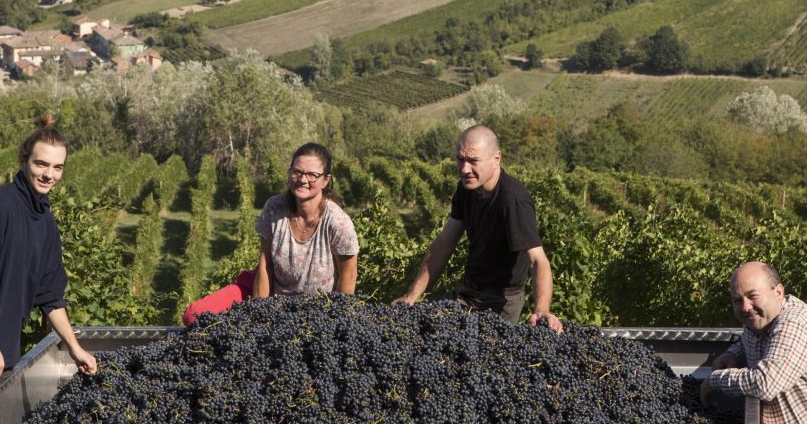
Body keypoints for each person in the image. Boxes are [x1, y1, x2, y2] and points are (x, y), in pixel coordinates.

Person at [0, 113, 97, 408]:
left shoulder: (44, 220)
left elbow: (51, 295)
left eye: (57, 167)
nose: (49, 174)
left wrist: (75, 348)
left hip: (1, 356)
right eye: (41, 164)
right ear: (24, 161)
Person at [393, 125, 562, 331]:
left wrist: (541, 310)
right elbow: (444, 243)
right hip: (470, 292)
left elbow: (538, 259)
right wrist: (411, 296)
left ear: (496, 159)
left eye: (473, 161)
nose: (464, 169)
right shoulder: (467, 189)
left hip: (500, 301)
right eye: (460, 159)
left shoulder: (512, 200)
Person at [182, 143, 358, 323]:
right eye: (297, 172)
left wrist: (334, 322)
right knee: (194, 316)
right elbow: (265, 264)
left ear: (326, 180)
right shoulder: (274, 208)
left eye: (312, 175)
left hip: (312, 309)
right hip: (267, 290)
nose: (303, 179)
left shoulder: (338, 223)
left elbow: (348, 277)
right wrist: (260, 315)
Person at [700, 261, 807, 424]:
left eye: (752, 296)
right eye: (737, 300)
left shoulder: (794, 325)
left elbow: (765, 384)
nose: (745, 307)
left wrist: (714, 380)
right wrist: (733, 353)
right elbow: (750, 338)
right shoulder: (761, 318)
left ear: (778, 292)